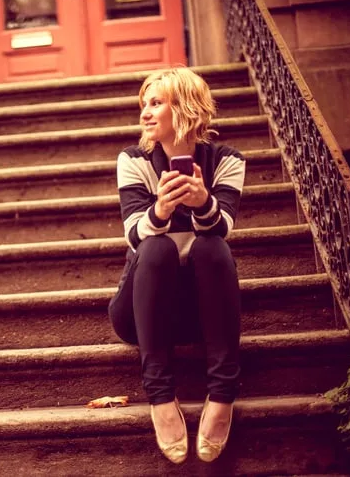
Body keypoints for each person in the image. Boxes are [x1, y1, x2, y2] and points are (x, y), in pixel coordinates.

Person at [108, 67, 245, 464]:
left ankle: (222, 394)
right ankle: (161, 396)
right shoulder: (134, 161)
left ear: (184, 108)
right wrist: (162, 209)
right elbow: (134, 235)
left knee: (211, 247)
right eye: (143, 105)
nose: (145, 114)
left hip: (202, 311)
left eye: (156, 103)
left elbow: (223, 229)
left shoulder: (227, 161)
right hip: (142, 310)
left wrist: (202, 201)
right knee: (155, 249)